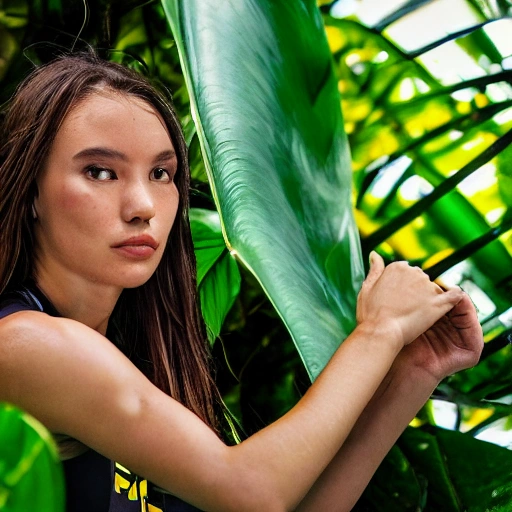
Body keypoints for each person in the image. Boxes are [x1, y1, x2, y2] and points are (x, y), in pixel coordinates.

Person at [0, 53, 483, 512]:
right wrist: (377, 332)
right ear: (32, 191)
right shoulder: (23, 342)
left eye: (161, 173)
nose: (143, 205)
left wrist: (413, 371)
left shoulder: (127, 355)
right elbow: (254, 494)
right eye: (100, 172)